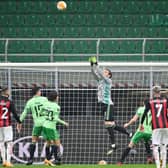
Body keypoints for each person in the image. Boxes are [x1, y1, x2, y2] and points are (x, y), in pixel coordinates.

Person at [89, 56, 131, 155]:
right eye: (104, 71)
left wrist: (96, 64)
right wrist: (92, 66)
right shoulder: (100, 81)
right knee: (112, 125)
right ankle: (129, 134)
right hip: (103, 105)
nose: (104, 72)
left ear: (109, 75)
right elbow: (93, 73)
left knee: (108, 124)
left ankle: (113, 145)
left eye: (106, 71)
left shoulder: (108, 81)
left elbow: (99, 72)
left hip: (108, 105)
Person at [117, 100, 153, 165]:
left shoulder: (141, 109)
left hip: (141, 130)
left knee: (130, 145)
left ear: (143, 103)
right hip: (150, 132)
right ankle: (149, 157)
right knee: (146, 142)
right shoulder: (153, 110)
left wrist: (127, 124)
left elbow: (134, 120)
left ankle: (120, 161)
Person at [140, 86, 168, 168]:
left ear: (153, 92)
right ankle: (163, 166)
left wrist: (141, 123)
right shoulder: (165, 101)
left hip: (156, 126)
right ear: (159, 92)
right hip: (166, 126)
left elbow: (145, 113)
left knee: (155, 147)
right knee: (164, 146)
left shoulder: (150, 102)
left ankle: (158, 166)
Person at [20, 87, 48, 165]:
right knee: (48, 142)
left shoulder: (30, 101)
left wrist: (20, 121)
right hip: (46, 123)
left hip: (37, 124)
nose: (41, 92)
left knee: (34, 141)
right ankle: (47, 159)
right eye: (40, 91)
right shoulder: (44, 99)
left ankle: (30, 160)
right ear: (37, 92)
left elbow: (24, 112)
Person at [41, 91, 68, 166]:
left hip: (44, 126)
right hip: (51, 127)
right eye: (57, 96)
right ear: (55, 98)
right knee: (56, 144)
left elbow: (41, 113)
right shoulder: (56, 107)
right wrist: (64, 123)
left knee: (49, 143)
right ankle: (49, 159)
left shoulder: (45, 104)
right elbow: (56, 118)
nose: (58, 97)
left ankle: (55, 160)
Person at [0, 87, 22, 167]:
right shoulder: (9, 102)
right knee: (9, 143)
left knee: (1, 143)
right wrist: (19, 122)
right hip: (7, 125)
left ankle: (3, 161)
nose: (9, 92)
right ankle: (8, 161)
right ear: (5, 92)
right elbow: (15, 114)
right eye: (8, 91)